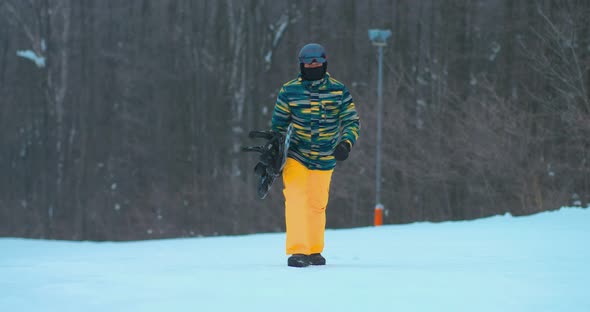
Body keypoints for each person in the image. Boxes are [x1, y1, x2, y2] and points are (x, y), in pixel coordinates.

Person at [271, 43, 360, 267]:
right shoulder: (289, 90)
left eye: (316, 62)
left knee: (317, 204)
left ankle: (313, 250)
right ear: (301, 65)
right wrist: (274, 151)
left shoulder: (338, 90)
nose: (312, 66)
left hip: (325, 156)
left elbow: (351, 120)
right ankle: (298, 251)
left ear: (324, 63)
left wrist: (346, 143)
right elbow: (278, 126)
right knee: (296, 198)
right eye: (308, 62)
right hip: (296, 155)